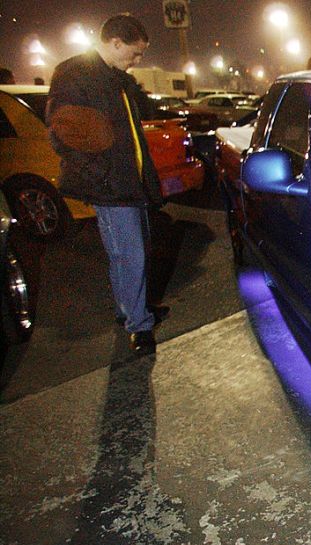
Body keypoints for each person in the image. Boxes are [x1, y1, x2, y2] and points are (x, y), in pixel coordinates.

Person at [47, 13, 166, 355]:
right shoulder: (77, 74)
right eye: (135, 53)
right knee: (131, 255)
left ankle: (130, 308)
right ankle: (139, 327)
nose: (138, 61)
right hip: (112, 185)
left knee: (128, 253)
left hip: (129, 181)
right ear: (115, 43)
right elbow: (62, 132)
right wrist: (100, 175)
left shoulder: (114, 77)